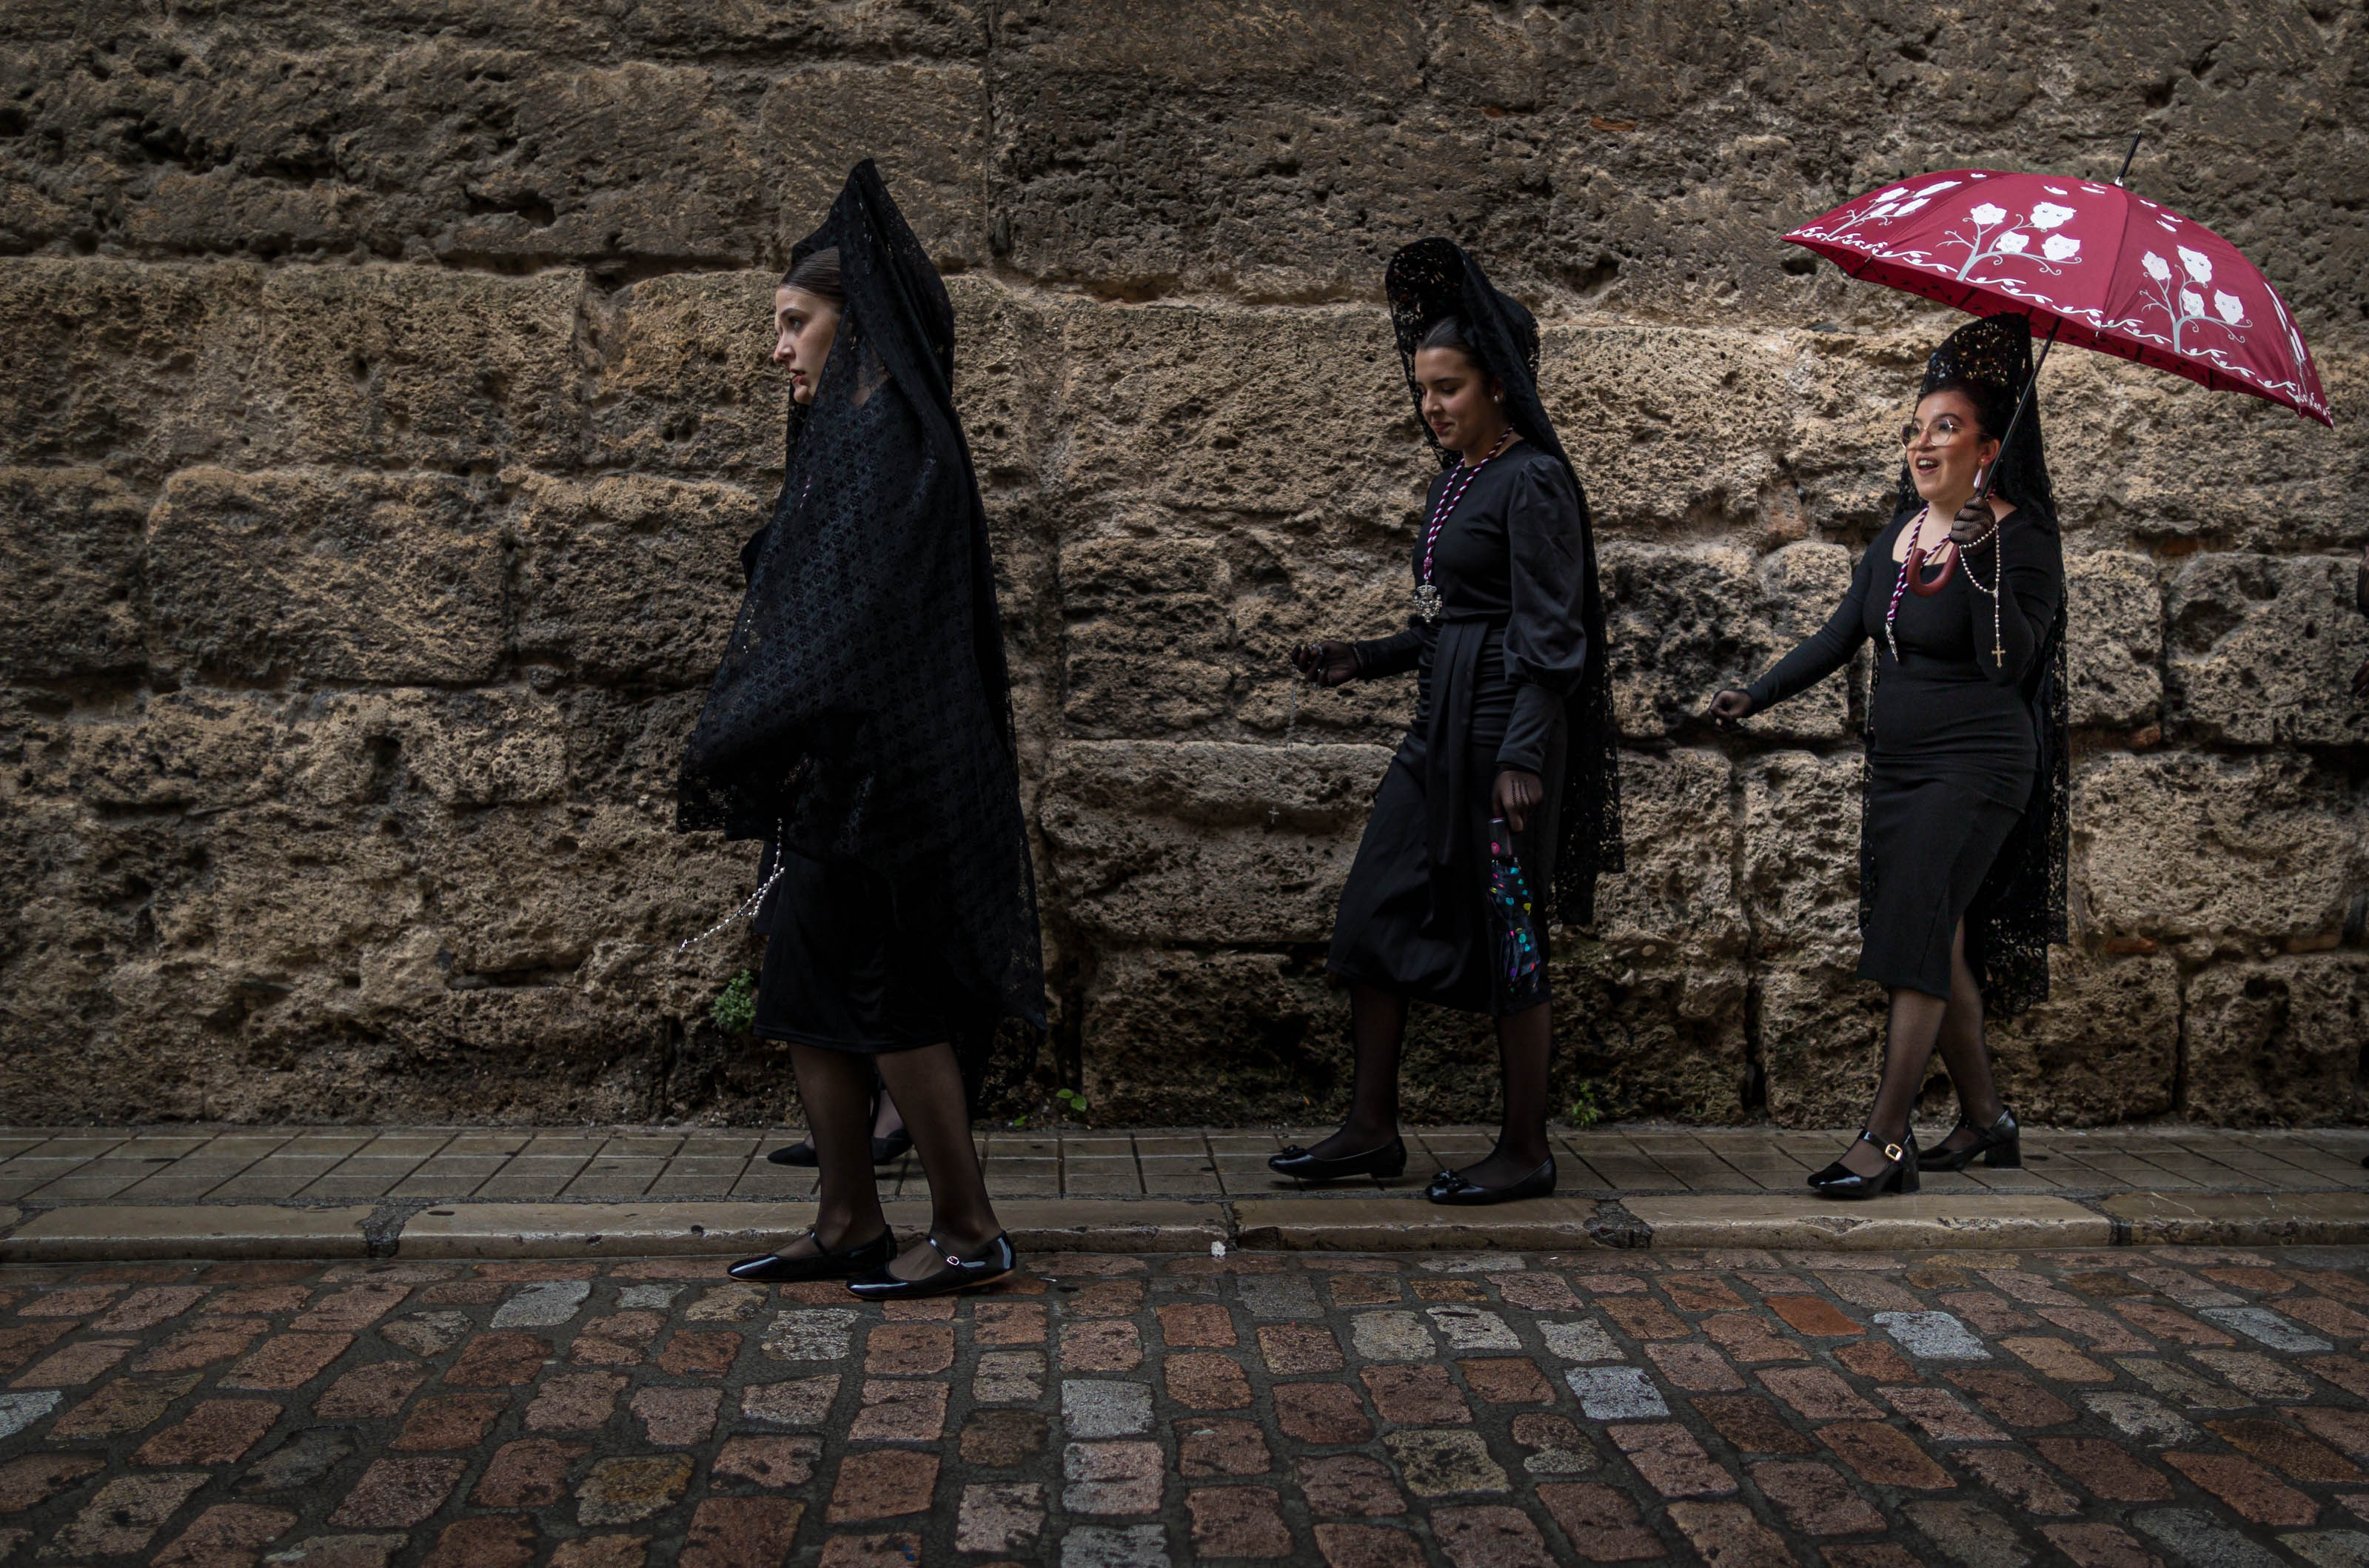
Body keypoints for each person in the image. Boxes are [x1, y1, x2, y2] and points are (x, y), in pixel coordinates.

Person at [677, 161, 1045, 1295]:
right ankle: (845, 1219)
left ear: (858, 322)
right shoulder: (846, 443)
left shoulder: (898, 448)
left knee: (890, 999)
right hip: (831, 772)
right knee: (805, 997)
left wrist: (755, 719)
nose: (779, 348)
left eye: (797, 323)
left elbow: (859, 622)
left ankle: (971, 1229)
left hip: (883, 780)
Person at [1272, 238, 1622, 1205]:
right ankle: (1372, 1128)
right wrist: (1363, 658)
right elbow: (1446, 623)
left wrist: (1521, 757)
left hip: (1501, 738)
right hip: (1436, 734)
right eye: (1423, 387)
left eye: (1450, 387)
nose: (1431, 405)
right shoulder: (1457, 479)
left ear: (1499, 386)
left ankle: (1526, 1148)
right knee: (1371, 918)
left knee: (1513, 935)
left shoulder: (1534, 482)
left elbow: (1553, 635)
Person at [1706, 313, 2068, 1199]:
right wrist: (1755, 693)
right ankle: (1986, 1122)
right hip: (1900, 769)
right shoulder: (1898, 541)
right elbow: (1838, 635)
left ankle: (1885, 1139)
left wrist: (1982, 564)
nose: (1921, 441)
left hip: (1978, 766)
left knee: (1912, 927)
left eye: (1945, 426)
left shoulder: (2020, 540)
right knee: (1932, 939)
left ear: (1988, 448)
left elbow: (2012, 658)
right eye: (1914, 426)